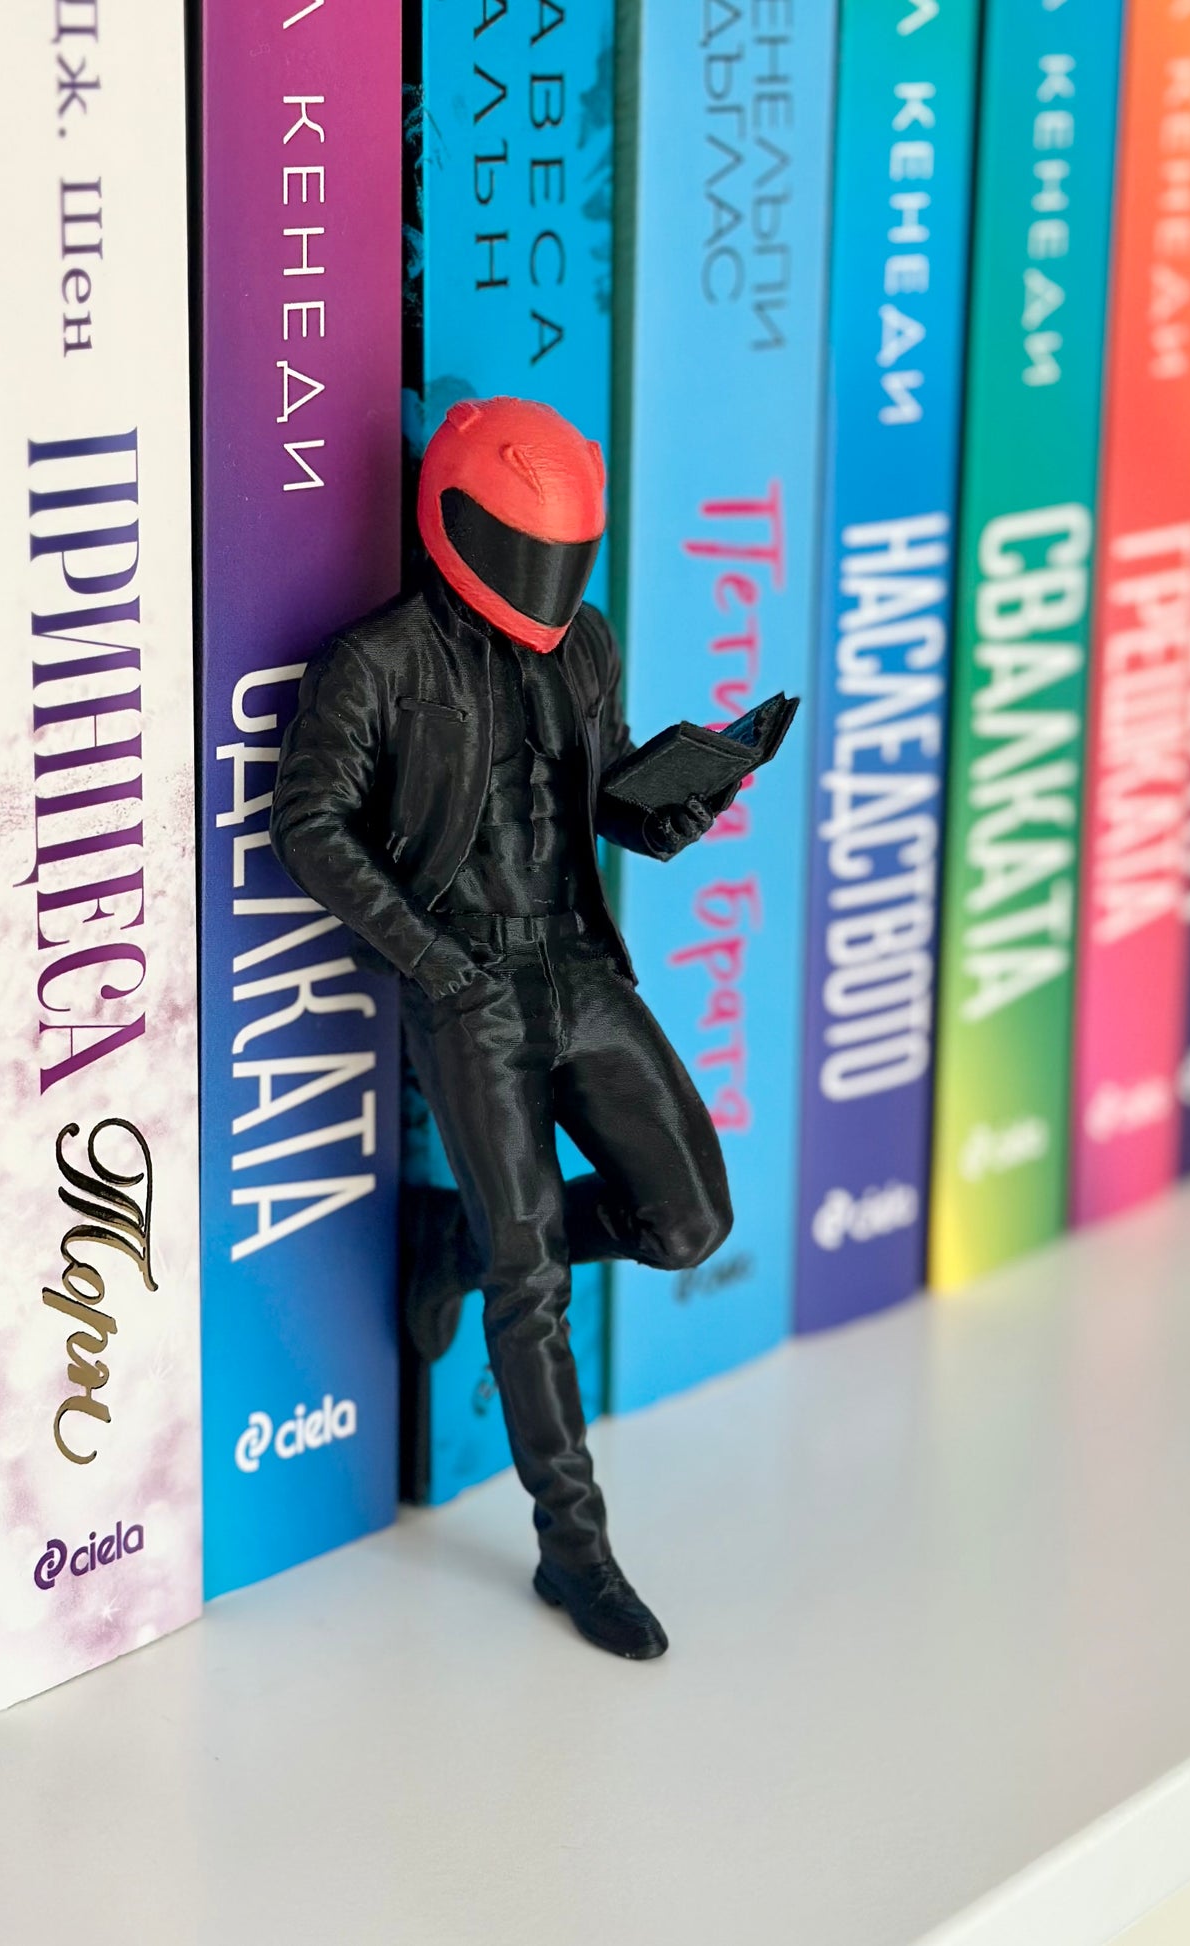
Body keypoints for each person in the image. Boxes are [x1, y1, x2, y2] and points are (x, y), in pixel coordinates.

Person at [270, 397, 735, 1659]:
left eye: (560, 550)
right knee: (530, 1275)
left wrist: (664, 812)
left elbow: (595, 794)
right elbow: (307, 823)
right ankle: (572, 1548)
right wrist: (436, 961)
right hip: (465, 978)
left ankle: (450, 1240)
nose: (542, 577)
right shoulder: (375, 661)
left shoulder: (587, 642)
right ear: (453, 518)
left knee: (688, 1218)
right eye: (519, 544)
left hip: (578, 962)